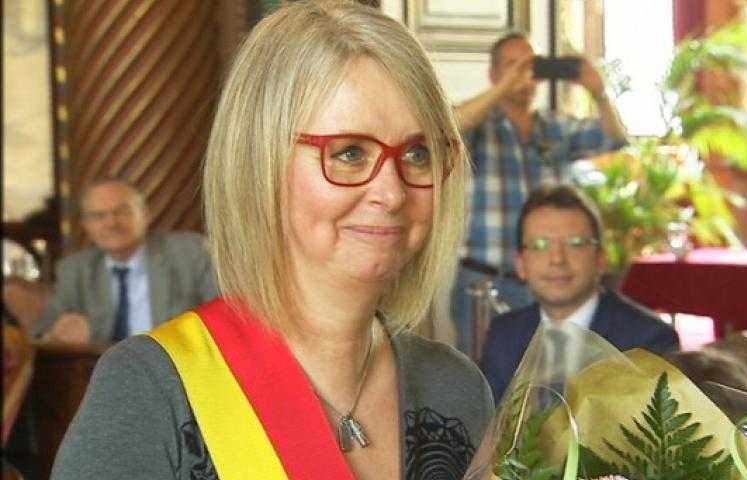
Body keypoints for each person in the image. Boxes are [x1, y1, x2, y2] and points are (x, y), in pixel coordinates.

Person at [51, 2, 493, 478]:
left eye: (419, 153)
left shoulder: (457, 388)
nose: (392, 193)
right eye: (349, 153)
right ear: (260, 163)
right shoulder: (149, 388)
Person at [451, 32, 629, 356]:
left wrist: (599, 91)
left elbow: (614, 138)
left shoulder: (556, 126)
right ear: (494, 74)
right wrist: (504, 87)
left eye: (531, 65)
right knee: (482, 378)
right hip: (486, 283)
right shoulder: (480, 125)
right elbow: (447, 127)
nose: (524, 74)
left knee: (556, 376)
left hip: (549, 284)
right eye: (513, 65)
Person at [479, 185, 679, 403]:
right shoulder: (504, 333)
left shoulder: (648, 339)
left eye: (574, 244)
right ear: (520, 264)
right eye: (541, 245)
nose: (557, 259)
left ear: (601, 258)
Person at [25, 177, 219, 343]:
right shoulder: (75, 270)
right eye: (98, 216)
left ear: (145, 214)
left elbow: (225, 315)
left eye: (122, 211)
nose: (111, 223)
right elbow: (39, 334)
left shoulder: (190, 253)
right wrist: (56, 334)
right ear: (86, 225)